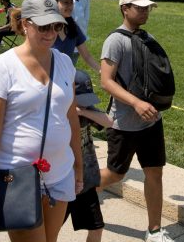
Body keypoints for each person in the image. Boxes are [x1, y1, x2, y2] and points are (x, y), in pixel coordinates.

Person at [0, 0, 83, 241]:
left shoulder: (65, 62)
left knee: (51, 239)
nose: (51, 33)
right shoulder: (3, 67)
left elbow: (71, 118)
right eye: (43, 26)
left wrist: (78, 165)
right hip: (19, 177)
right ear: (25, 24)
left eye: (56, 25)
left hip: (60, 173)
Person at [98, 0, 174, 242]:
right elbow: (106, 81)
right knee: (115, 174)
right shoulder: (115, 41)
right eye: (139, 7)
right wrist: (136, 103)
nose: (144, 11)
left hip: (151, 121)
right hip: (124, 122)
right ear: (124, 8)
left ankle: (154, 230)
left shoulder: (147, 37)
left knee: (155, 172)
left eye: (147, 7)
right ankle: (79, 193)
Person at [65, 70, 112, 242]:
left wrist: (83, 112)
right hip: (63, 181)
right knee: (49, 230)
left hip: (85, 183)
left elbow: (108, 122)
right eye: (81, 101)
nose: (85, 105)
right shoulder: (59, 114)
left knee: (97, 227)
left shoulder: (85, 111)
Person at [50, 0, 99, 72]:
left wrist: (101, 70)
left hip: (67, 76)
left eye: (71, 2)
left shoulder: (73, 27)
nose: (70, 6)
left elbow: (87, 56)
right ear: (54, 3)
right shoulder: (45, 28)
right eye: (65, 3)